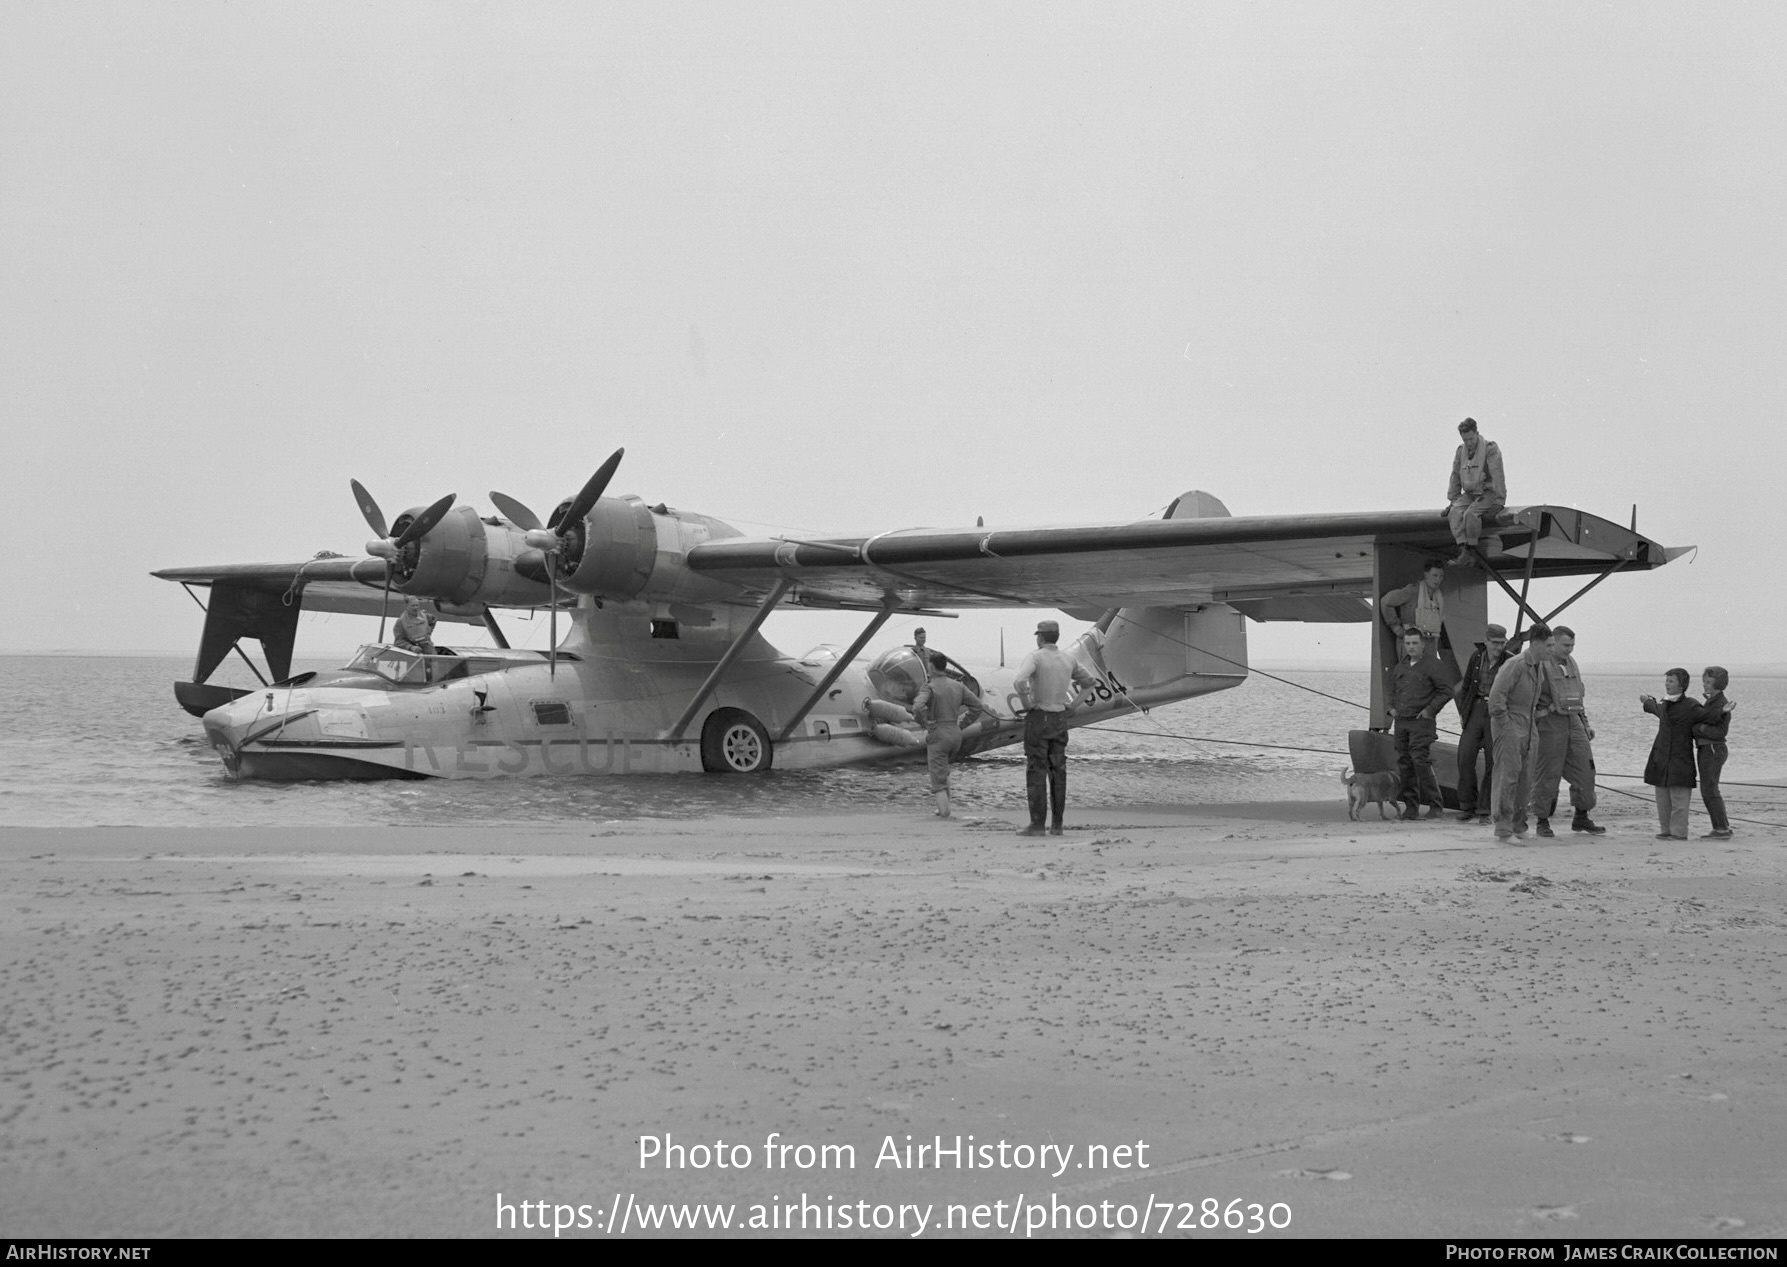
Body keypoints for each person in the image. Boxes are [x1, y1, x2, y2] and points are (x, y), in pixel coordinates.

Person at [1011, 619, 1097, 837]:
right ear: (1056, 637)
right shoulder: (1068, 659)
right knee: (1058, 771)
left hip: (1039, 716)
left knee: (1036, 769)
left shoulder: (1035, 657)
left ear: (1040, 637)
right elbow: (1089, 683)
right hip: (1060, 717)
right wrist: (1074, 706)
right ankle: (1057, 825)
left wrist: (1026, 703)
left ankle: (1037, 824)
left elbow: (1020, 681)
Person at [1529, 626, 1606, 837]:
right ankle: (1542, 821)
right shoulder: (1539, 665)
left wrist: (1585, 724)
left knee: (1586, 771)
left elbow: (1578, 698)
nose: (1569, 650)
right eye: (1565, 645)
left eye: (1572, 645)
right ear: (1553, 643)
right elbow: (1526, 699)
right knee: (1547, 775)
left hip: (1574, 722)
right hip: (1549, 725)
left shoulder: (1572, 664)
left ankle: (1581, 816)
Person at [1486, 622, 1553, 842]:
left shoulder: (1539, 666)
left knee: (1526, 777)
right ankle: (1503, 828)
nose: (1551, 650)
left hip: (1529, 722)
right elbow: (1496, 700)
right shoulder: (1514, 665)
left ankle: (1518, 824)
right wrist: (1506, 727)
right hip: (1510, 723)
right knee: (1508, 775)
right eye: (1548, 645)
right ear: (1535, 644)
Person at [912, 652, 987, 819]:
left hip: (938, 733)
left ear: (931, 666)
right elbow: (977, 706)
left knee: (937, 777)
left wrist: (924, 723)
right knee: (944, 771)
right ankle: (943, 808)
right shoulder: (958, 686)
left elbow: (917, 707)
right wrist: (963, 724)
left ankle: (944, 812)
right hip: (955, 733)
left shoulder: (929, 687)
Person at [1388, 628, 1454, 819]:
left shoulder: (1434, 665)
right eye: (1407, 643)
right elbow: (1392, 690)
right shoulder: (1400, 667)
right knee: (1404, 762)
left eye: (1414, 643)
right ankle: (1411, 807)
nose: (1411, 647)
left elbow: (1447, 691)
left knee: (1420, 761)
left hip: (1421, 722)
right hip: (1401, 722)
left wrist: (1430, 710)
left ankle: (1435, 805)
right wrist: (1390, 708)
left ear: (1422, 645)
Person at [1453, 624, 1511, 823]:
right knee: (1464, 756)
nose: (1499, 647)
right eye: (1495, 643)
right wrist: (1464, 712)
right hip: (1476, 710)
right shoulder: (1476, 658)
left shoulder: (1509, 661)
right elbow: (1466, 685)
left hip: (1497, 713)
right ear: (1486, 641)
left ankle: (1485, 809)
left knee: (1492, 762)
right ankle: (1467, 805)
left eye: (1502, 643)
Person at [1640, 669, 1705, 841]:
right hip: (1661, 755)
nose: (1667, 684)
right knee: (1662, 798)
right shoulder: (1665, 703)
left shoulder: (1691, 705)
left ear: (1682, 685)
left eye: (1671, 681)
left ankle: (1678, 833)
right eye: (1667, 680)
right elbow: (1656, 709)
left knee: (1679, 800)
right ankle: (1666, 830)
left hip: (1680, 756)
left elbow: (1708, 717)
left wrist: (1722, 711)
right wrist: (1647, 701)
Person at [1447, 417, 1505, 565]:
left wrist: (1499, 500)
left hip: (1487, 493)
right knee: (1454, 512)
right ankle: (1463, 548)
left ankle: (1471, 549)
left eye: (1471, 439)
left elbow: (1497, 474)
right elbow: (1455, 475)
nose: (1469, 443)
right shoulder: (1461, 452)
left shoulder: (1490, 449)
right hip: (1470, 494)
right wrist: (1453, 499)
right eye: (1465, 440)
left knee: (1471, 515)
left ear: (1477, 433)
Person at [1380, 559, 1449, 661]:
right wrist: (1396, 627)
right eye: (1434, 575)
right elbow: (1386, 601)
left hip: (1430, 644)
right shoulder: (1412, 591)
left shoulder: (1438, 597)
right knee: (1411, 674)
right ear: (1426, 575)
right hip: (1412, 644)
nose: (1438, 580)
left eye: (1441, 576)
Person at [1694, 666, 1734, 839]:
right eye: (1704, 681)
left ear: (1718, 684)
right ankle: (1722, 826)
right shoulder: (1713, 702)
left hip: (1712, 748)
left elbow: (1719, 731)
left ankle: (1721, 828)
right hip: (1709, 748)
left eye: (1709, 682)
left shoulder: (1720, 703)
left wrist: (1699, 728)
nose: (1705, 685)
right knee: (1710, 787)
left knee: (1709, 788)